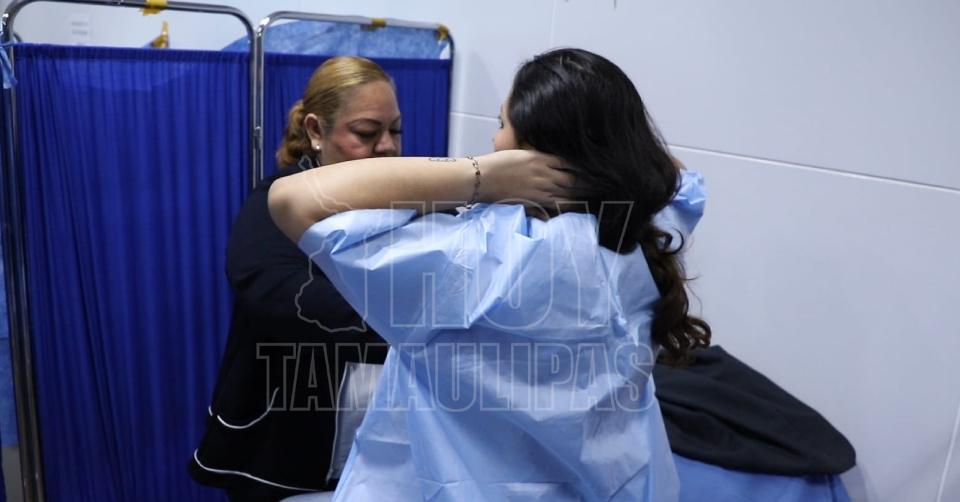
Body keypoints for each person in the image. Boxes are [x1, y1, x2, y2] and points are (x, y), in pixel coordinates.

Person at [268, 48, 711, 501]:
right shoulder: (641, 234)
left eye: (501, 125)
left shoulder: (474, 259)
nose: (494, 141)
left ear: (529, 156)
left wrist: (480, 174)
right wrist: (599, 155)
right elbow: (677, 178)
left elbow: (291, 199)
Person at [188, 56, 402, 501]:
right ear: (316, 131)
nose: (386, 147)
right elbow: (275, 295)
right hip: (283, 437)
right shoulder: (276, 200)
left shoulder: (400, 202)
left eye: (395, 130)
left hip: (372, 435)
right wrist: (407, 317)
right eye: (366, 133)